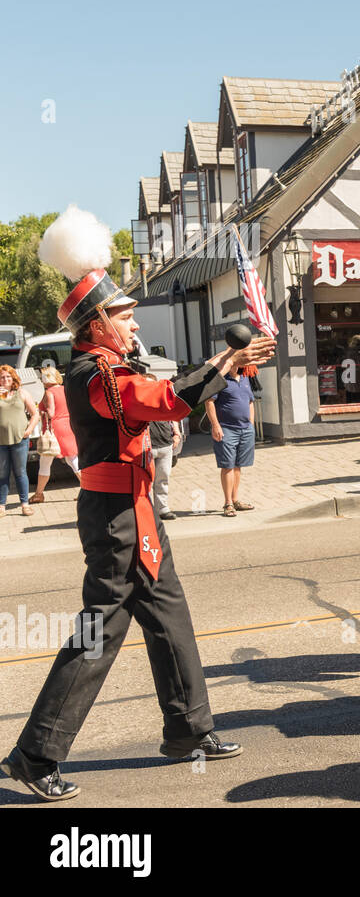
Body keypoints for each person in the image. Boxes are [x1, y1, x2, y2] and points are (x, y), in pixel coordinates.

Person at [2, 205, 274, 802]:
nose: (131, 324)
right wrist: (223, 363)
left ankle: (188, 730)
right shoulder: (90, 372)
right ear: (96, 323)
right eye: (122, 316)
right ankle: (34, 754)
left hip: (138, 509)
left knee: (170, 619)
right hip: (115, 519)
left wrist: (226, 364)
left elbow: (164, 391)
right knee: (98, 634)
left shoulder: (111, 362)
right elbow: (162, 399)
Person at [205, 360, 257, 518]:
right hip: (226, 429)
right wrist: (216, 426)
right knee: (227, 465)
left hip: (245, 429)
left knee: (238, 466)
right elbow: (209, 402)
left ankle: (235, 500)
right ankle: (227, 503)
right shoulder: (221, 379)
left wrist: (251, 425)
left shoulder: (245, 378)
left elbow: (250, 402)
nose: (243, 365)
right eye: (240, 361)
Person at [31, 365, 81, 505]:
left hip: (54, 428)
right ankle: (87, 490)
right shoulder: (65, 389)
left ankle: (39, 494)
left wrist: (40, 413)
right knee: (73, 459)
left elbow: (51, 413)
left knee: (46, 461)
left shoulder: (49, 392)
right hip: (68, 425)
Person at [0, 363, 40, 516]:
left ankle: (25, 504)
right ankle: (1, 506)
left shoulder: (22, 393)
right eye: (2, 377)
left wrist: (29, 430)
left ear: (13, 378)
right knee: (2, 474)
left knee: (20, 472)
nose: (5, 379)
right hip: (1, 442)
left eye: (8, 376)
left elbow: (35, 414)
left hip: (19, 440)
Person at [148, 413, 181, 521]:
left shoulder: (165, 395)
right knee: (146, 481)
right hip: (147, 444)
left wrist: (176, 432)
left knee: (163, 478)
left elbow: (173, 412)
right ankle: (146, 509)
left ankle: (162, 509)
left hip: (166, 442)